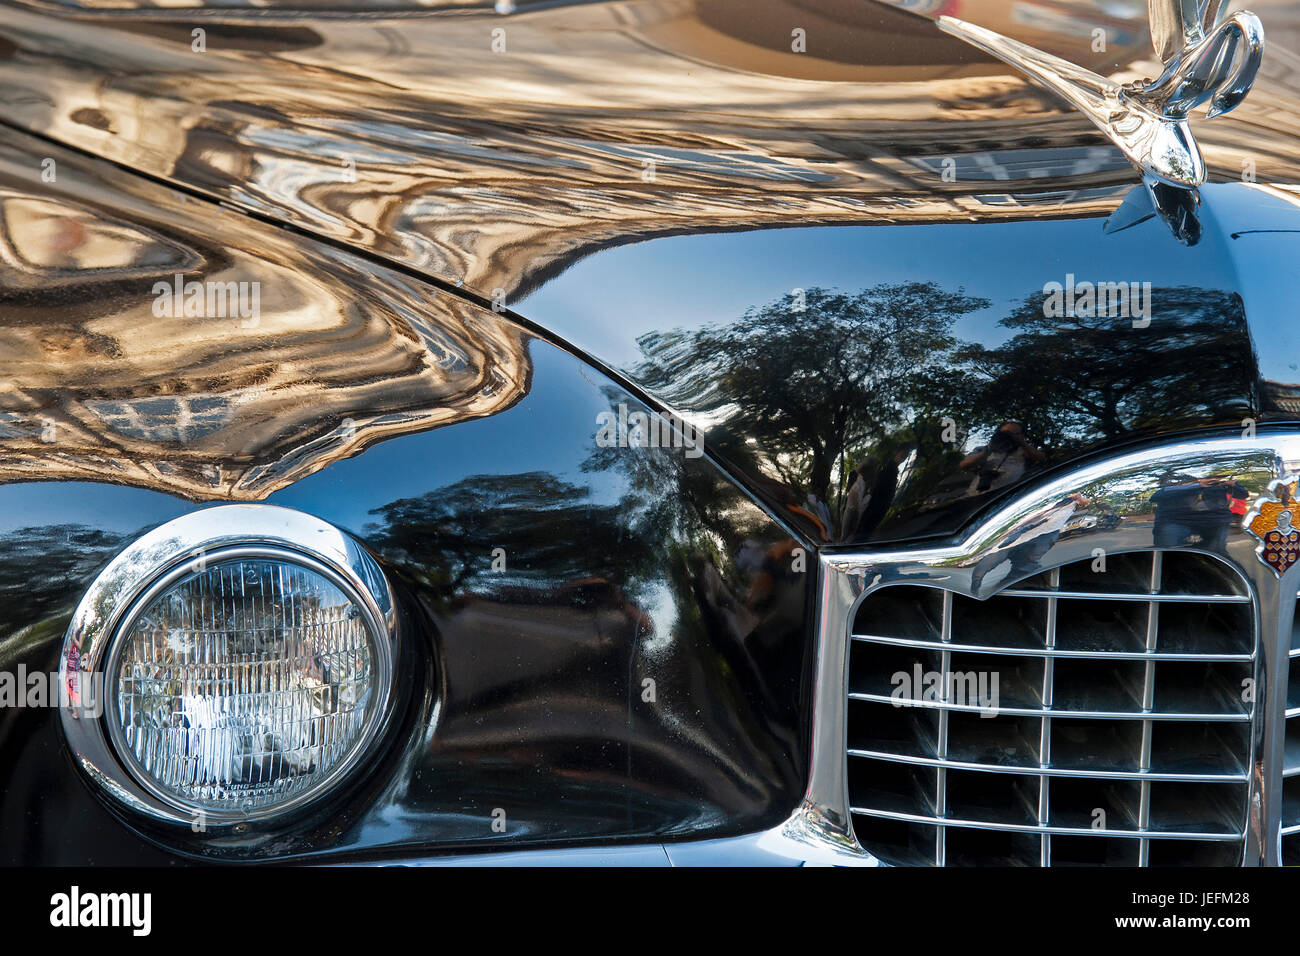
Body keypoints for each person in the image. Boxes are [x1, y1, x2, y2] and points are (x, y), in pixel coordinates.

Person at [1150, 475, 1248, 551]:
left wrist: (1233, 485)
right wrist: (1197, 485)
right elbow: (1155, 496)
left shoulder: (1221, 484)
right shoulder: (1178, 481)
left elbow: (1243, 495)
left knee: (1218, 552)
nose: (1212, 480)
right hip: (1177, 521)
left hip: (1215, 522)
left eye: (1215, 478)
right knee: (1167, 550)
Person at [961, 421, 1045, 496]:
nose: (1008, 436)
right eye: (1004, 433)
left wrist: (1023, 443)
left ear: (1021, 436)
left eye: (1013, 434)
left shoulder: (1024, 451)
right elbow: (964, 465)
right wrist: (989, 449)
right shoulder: (982, 450)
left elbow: (1041, 458)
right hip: (979, 496)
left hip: (1011, 495)